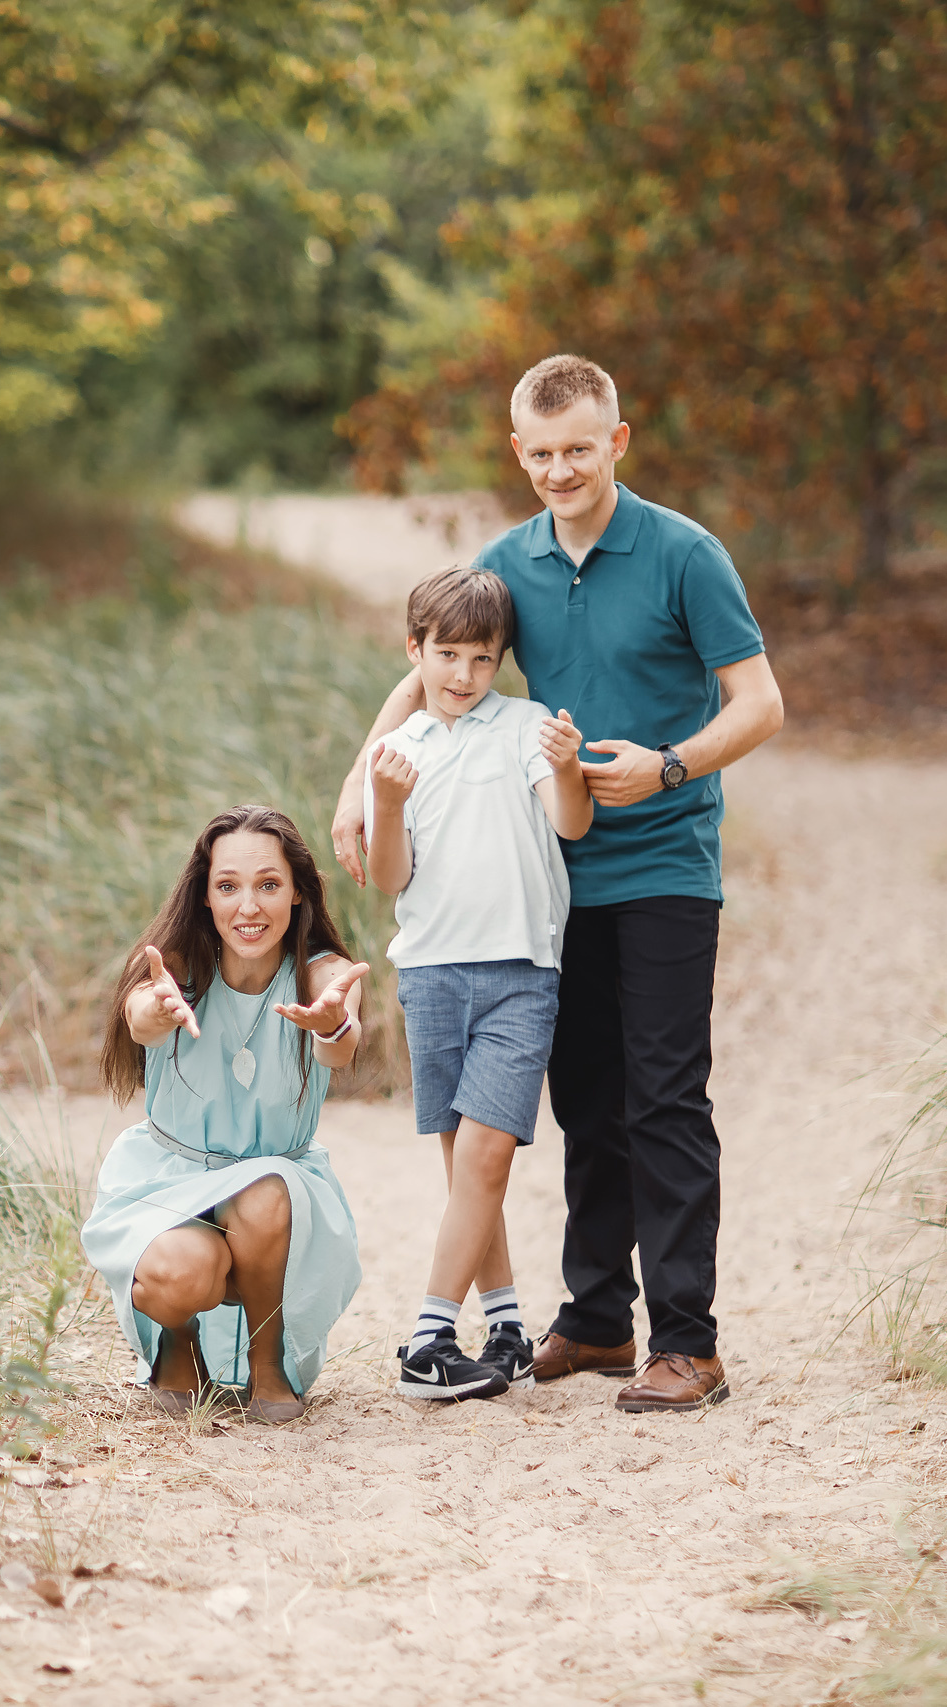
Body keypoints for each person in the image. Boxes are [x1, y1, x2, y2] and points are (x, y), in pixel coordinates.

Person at [330, 354, 785, 1413]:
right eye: (538, 454)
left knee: (664, 1094)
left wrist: (667, 766)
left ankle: (688, 1342)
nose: (558, 470)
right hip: (554, 879)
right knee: (585, 1099)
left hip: (667, 861)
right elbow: (425, 669)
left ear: (616, 442)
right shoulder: (510, 562)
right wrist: (360, 778)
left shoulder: (684, 554)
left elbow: (760, 704)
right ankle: (594, 1321)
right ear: (517, 453)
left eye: (577, 448)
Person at [363, 565, 592, 1401]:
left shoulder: (527, 726)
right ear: (415, 651)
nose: (462, 675)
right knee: (471, 1168)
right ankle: (502, 1324)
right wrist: (384, 803)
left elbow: (570, 821)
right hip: (430, 971)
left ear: (503, 662)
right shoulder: (398, 753)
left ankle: (427, 1338)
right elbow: (392, 875)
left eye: (482, 659)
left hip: (520, 971)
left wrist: (568, 768)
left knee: (488, 1152)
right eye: (447, 654)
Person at [80, 806, 372, 1424]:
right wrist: (158, 1010)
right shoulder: (177, 967)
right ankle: (178, 1343)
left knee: (264, 1191)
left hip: (277, 1204)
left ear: (297, 895)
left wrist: (333, 1020)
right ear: (206, 896)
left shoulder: (321, 974)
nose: (248, 907)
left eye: (268, 885)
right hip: (170, 1182)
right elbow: (142, 1010)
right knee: (181, 1273)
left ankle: (269, 1362)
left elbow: (340, 1032)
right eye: (228, 886)